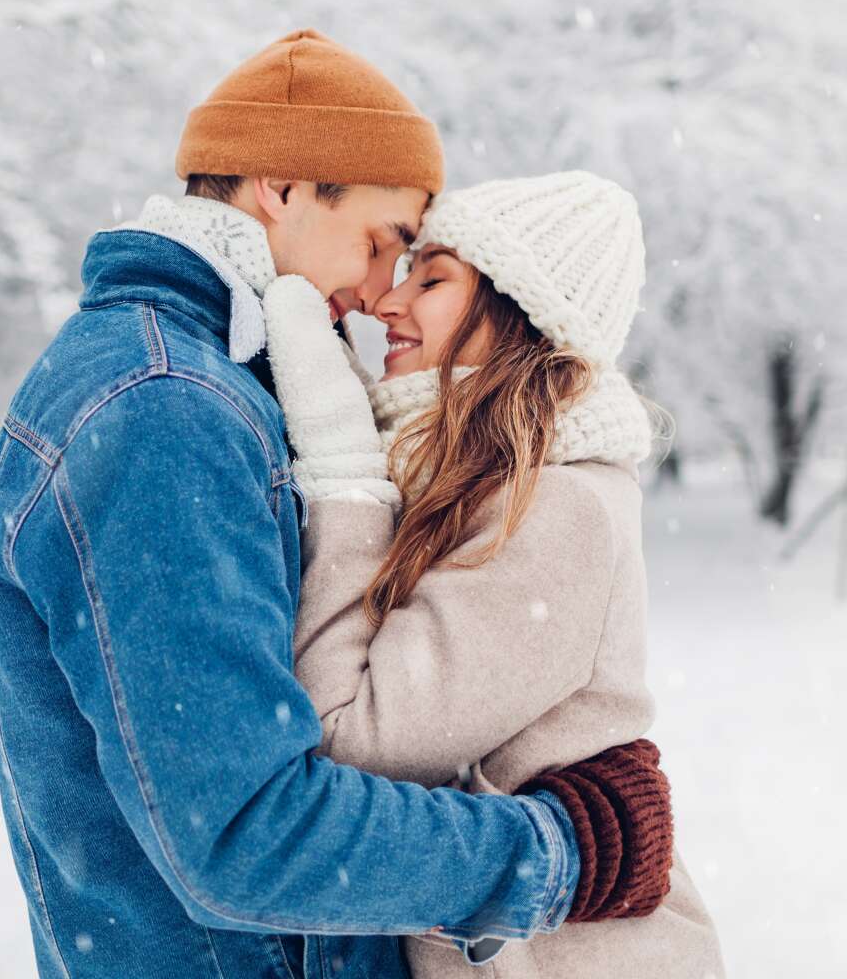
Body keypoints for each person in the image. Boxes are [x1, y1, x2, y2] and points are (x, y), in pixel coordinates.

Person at [0, 30, 676, 979]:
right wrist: (560, 853)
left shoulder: (219, 383)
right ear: (288, 188)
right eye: (386, 245)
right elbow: (245, 834)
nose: (379, 291)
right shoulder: (163, 407)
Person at [261, 170, 726, 977]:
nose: (386, 303)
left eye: (432, 279)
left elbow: (350, 739)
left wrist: (343, 469)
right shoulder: (477, 484)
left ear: (523, 316)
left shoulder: (557, 507)